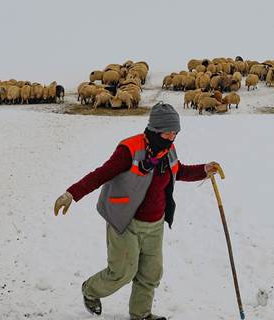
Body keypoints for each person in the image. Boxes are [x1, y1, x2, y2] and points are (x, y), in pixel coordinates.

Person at [54, 102, 220, 320]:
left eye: (176, 132)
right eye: (168, 132)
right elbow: (101, 174)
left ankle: (141, 315)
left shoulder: (168, 149)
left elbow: (177, 172)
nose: (173, 137)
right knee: (122, 272)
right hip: (126, 221)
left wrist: (203, 170)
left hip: (155, 224)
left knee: (150, 273)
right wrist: (72, 194)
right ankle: (90, 290)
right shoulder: (129, 150)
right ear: (155, 130)